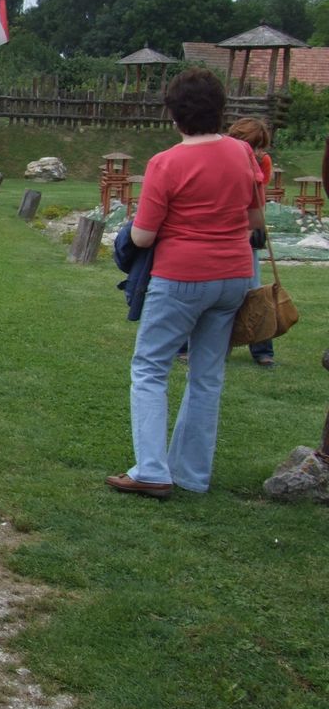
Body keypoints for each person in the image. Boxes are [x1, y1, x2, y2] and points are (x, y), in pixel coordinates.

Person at [107, 69, 264, 499]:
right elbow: (254, 219)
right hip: (234, 274)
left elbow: (143, 236)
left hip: (181, 276)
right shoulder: (243, 153)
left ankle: (151, 470)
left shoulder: (167, 163)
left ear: (173, 114)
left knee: (150, 368)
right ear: (220, 110)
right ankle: (192, 474)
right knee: (207, 375)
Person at [226, 117, 275, 367]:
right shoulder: (223, 160)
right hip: (224, 231)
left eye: (260, 146)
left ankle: (262, 349)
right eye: (253, 145)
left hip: (247, 229)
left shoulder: (262, 161)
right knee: (218, 291)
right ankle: (193, 346)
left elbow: (256, 199)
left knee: (254, 291)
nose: (256, 151)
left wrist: (249, 232)